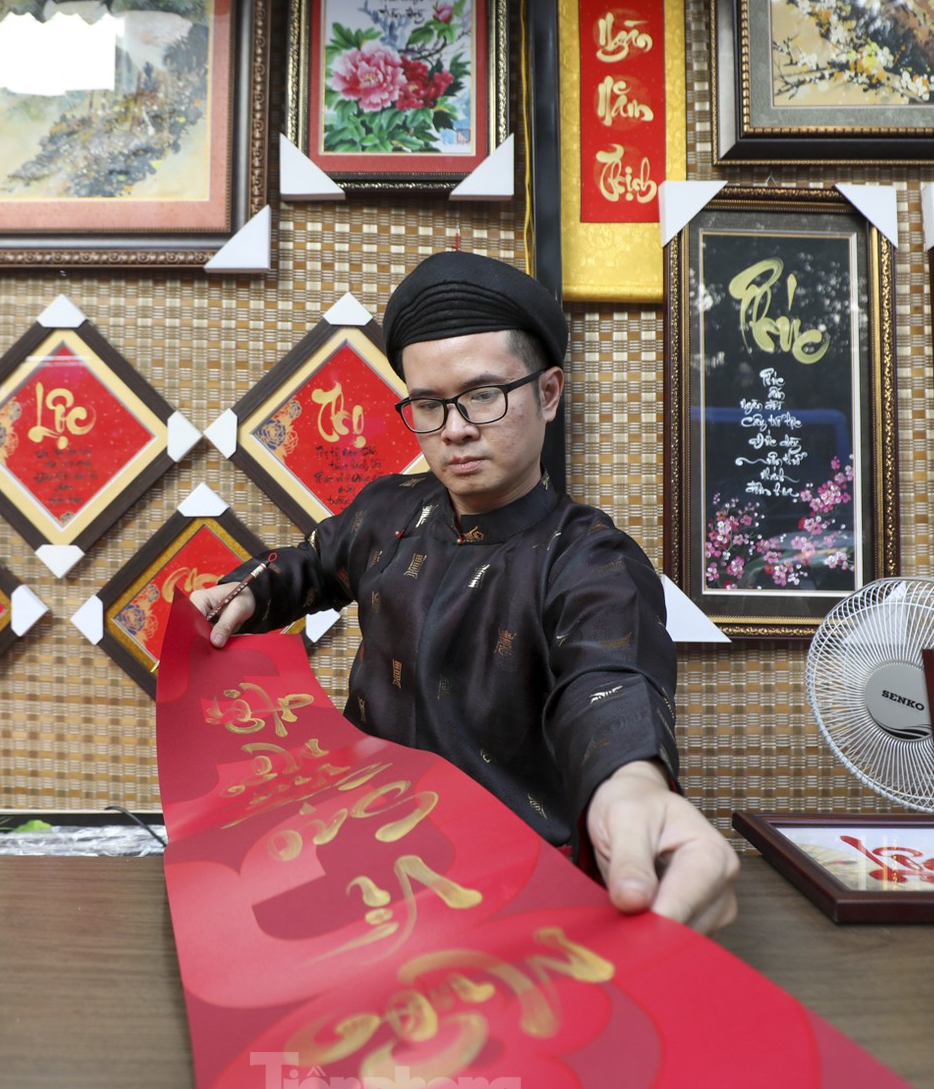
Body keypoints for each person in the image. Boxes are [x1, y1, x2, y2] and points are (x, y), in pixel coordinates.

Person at [191, 250, 738, 935]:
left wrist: (630, 784)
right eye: (428, 404)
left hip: (515, 889)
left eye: (483, 395)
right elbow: (313, 562)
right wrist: (249, 589)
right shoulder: (389, 509)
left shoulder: (589, 559)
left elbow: (610, 684)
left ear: (548, 393)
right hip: (360, 861)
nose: (454, 428)